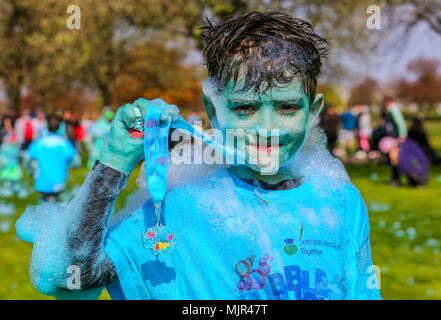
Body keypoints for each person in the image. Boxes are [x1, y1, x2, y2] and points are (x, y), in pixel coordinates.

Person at [16, 12, 380, 300]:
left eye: (287, 108)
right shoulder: (177, 207)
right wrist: (115, 161)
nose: (267, 127)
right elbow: (65, 278)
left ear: (313, 110)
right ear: (213, 107)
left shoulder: (340, 200)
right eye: (245, 108)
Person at [26, 114, 76, 202]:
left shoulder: (39, 143)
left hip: (42, 181)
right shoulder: (64, 143)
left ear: (46, 127)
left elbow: (27, 159)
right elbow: (76, 161)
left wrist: (31, 172)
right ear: (60, 127)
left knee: (43, 206)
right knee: (57, 207)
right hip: (59, 182)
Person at [381, 97, 407, 186]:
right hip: (393, 138)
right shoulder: (391, 111)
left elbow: (400, 123)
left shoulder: (394, 110)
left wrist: (401, 135)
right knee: (393, 159)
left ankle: (397, 180)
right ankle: (394, 179)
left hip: (396, 139)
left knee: (395, 159)